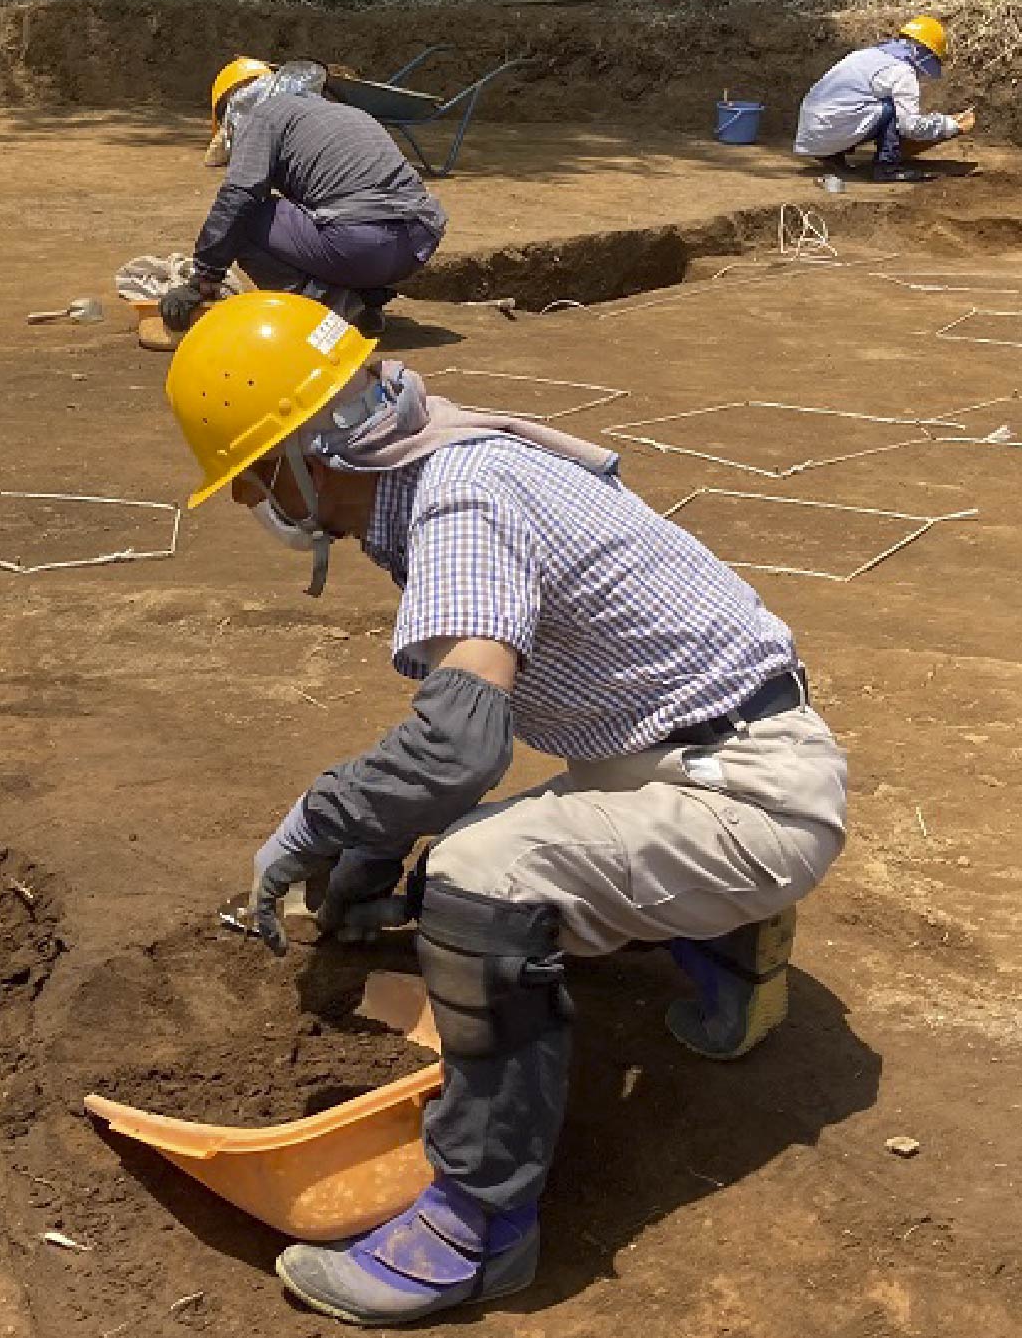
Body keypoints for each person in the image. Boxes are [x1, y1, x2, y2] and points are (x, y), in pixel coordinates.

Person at [159, 293, 849, 1326]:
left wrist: (320, 820)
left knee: (484, 887)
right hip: (711, 756)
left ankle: (474, 1230)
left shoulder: (459, 501)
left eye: (254, 473)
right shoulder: (461, 459)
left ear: (309, 455)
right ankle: (727, 947)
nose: (260, 499)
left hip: (739, 792)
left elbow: (455, 748)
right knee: (465, 862)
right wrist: (376, 849)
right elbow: (453, 745)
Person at [151, 56, 450, 352]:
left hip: (360, 246)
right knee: (309, 211)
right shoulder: (345, 113)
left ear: (232, 107)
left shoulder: (263, 115)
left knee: (247, 218)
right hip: (415, 245)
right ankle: (365, 302)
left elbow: (238, 198)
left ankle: (334, 307)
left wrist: (203, 279)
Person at [793, 16, 973, 183]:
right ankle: (887, 168)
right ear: (927, 53)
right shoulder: (903, 71)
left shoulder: (868, 55)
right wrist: (950, 126)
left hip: (812, 130)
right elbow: (910, 127)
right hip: (832, 127)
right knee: (891, 108)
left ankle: (832, 155)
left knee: (859, 104)